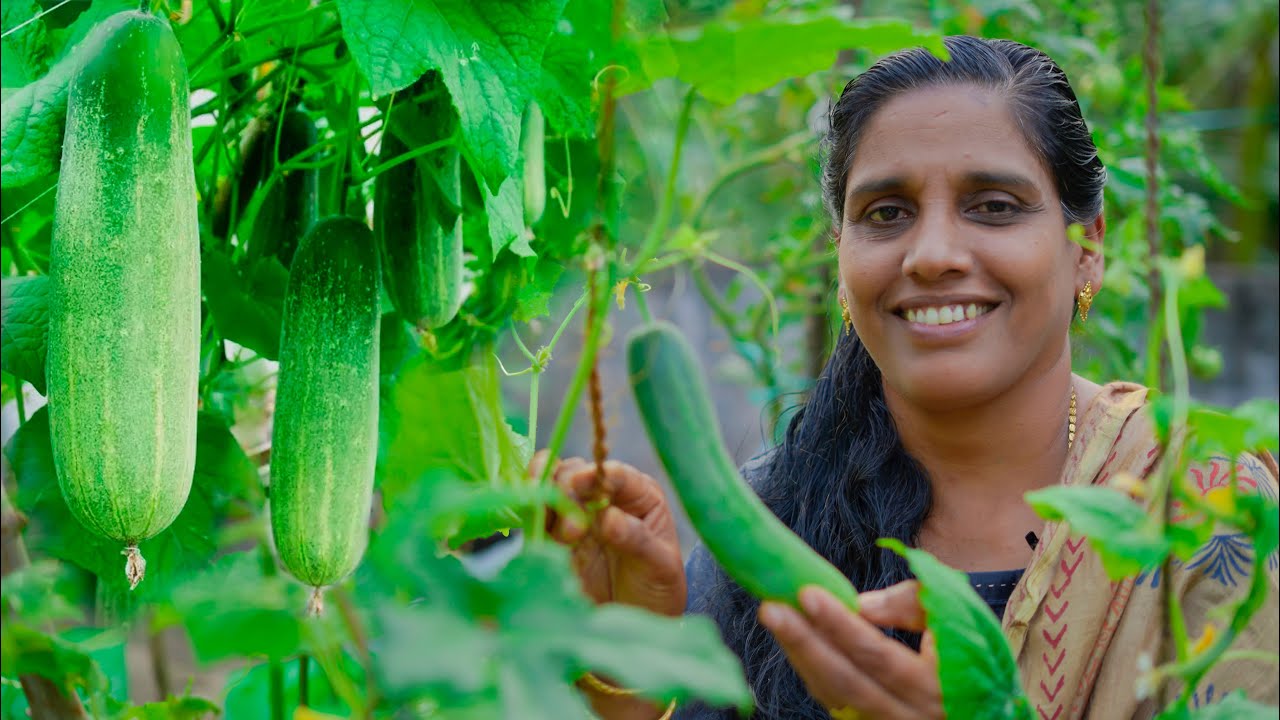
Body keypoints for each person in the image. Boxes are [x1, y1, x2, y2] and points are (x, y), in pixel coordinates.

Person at [529, 35, 1280, 720]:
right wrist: (624, 662)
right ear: (841, 254)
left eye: (993, 206)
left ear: (1087, 246)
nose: (931, 254)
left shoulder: (1207, 507)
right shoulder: (773, 512)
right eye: (886, 213)